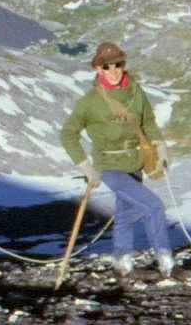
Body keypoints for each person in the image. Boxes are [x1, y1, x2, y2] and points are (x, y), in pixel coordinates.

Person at [60, 41, 173, 278]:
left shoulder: (135, 90)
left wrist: (160, 148)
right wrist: (87, 168)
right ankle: (165, 260)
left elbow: (148, 122)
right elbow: (68, 134)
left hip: (135, 163)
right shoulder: (90, 101)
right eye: (107, 66)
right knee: (154, 206)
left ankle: (122, 262)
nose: (113, 71)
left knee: (125, 213)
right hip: (109, 166)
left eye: (118, 64)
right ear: (97, 69)